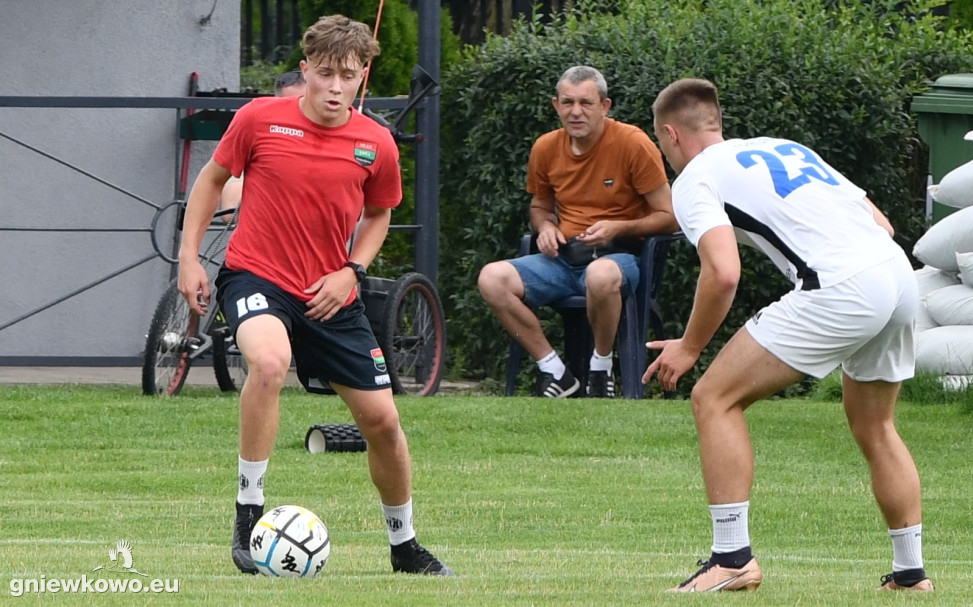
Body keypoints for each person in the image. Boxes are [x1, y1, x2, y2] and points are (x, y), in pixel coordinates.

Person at [176, 14, 454, 577]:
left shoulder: (376, 141)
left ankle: (405, 547)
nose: (333, 87)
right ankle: (248, 514)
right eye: (323, 73)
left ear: (362, 76)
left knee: (383, 424)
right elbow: (210, 180)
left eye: (346, 76)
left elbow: (379, 214)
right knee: (270, 362)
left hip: (332, 295)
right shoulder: (258, 119)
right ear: (305, 70)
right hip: (256, 277)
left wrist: (351, 270)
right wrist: (188, 256)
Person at [644, 77, 931, 592]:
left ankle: (731, 559)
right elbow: (882, 224)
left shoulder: (693, 180)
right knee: (877, 427)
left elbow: (723, 272)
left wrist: (689, 347)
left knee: (714, 398)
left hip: (843, 286)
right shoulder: (783, 146)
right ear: (716, 122)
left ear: (670, 135)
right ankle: (911, 576)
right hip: (896, 273)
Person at [477, 65, 676, 399]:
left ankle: (600, 368)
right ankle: (555, 371)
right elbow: (540, 206)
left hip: (619, 256)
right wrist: (545, 227)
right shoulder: (545, 147)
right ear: (556, 105)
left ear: (605, 106)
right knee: (491, 278)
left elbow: (670, 217)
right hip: (563, 259)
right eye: (567, 103)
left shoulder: (633, 143)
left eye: (586, 103)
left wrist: (619, 226)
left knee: (600, 275)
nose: (576, 112)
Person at [218, 70, 308, 216]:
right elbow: (230, 210)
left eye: (303, 103)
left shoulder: (331, 143)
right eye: (288, 104)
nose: (297, 111)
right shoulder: (259, 138)